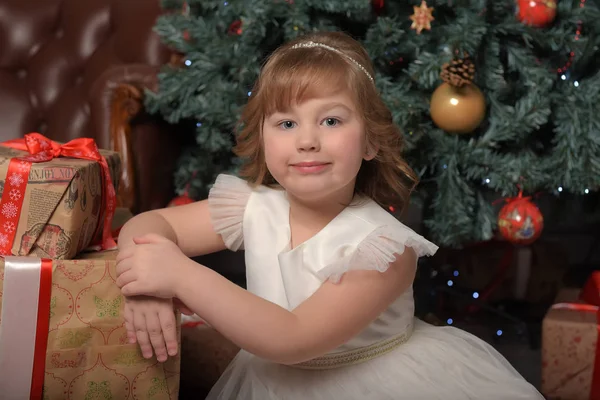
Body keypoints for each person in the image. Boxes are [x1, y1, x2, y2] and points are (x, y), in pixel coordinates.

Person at [115, 31, 544, 399]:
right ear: (263, 139)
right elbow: (147, 223)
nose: (307, 141)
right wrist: (146, 289)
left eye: (332, 121)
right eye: (286, 124)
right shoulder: (252, 207)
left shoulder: (383, 249)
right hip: (271, 383)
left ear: (371, 143)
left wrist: (178, 276)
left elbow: (291, 338)